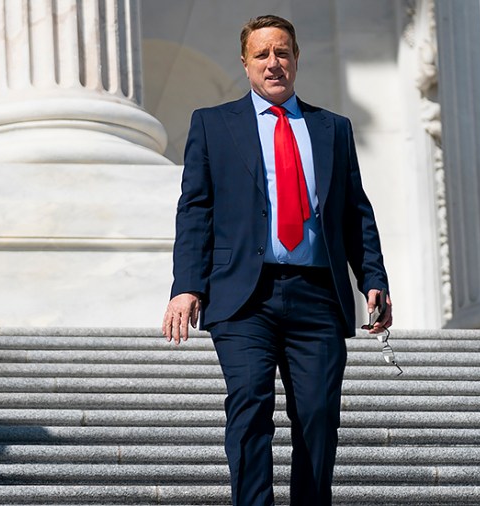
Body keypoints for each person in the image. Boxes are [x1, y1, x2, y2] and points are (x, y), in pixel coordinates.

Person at [161, 14, 393, 505]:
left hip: (317, 297)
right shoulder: (212, 124)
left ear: (296, 59)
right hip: (243, 295)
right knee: (249, 406)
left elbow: (356, 210)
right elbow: (195, 210)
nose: (273, 63)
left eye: (282, 52)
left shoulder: (333, 129)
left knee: (318, 416)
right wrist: (187, 285)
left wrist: (372, 275)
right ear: (245, 64)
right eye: (262, 54)